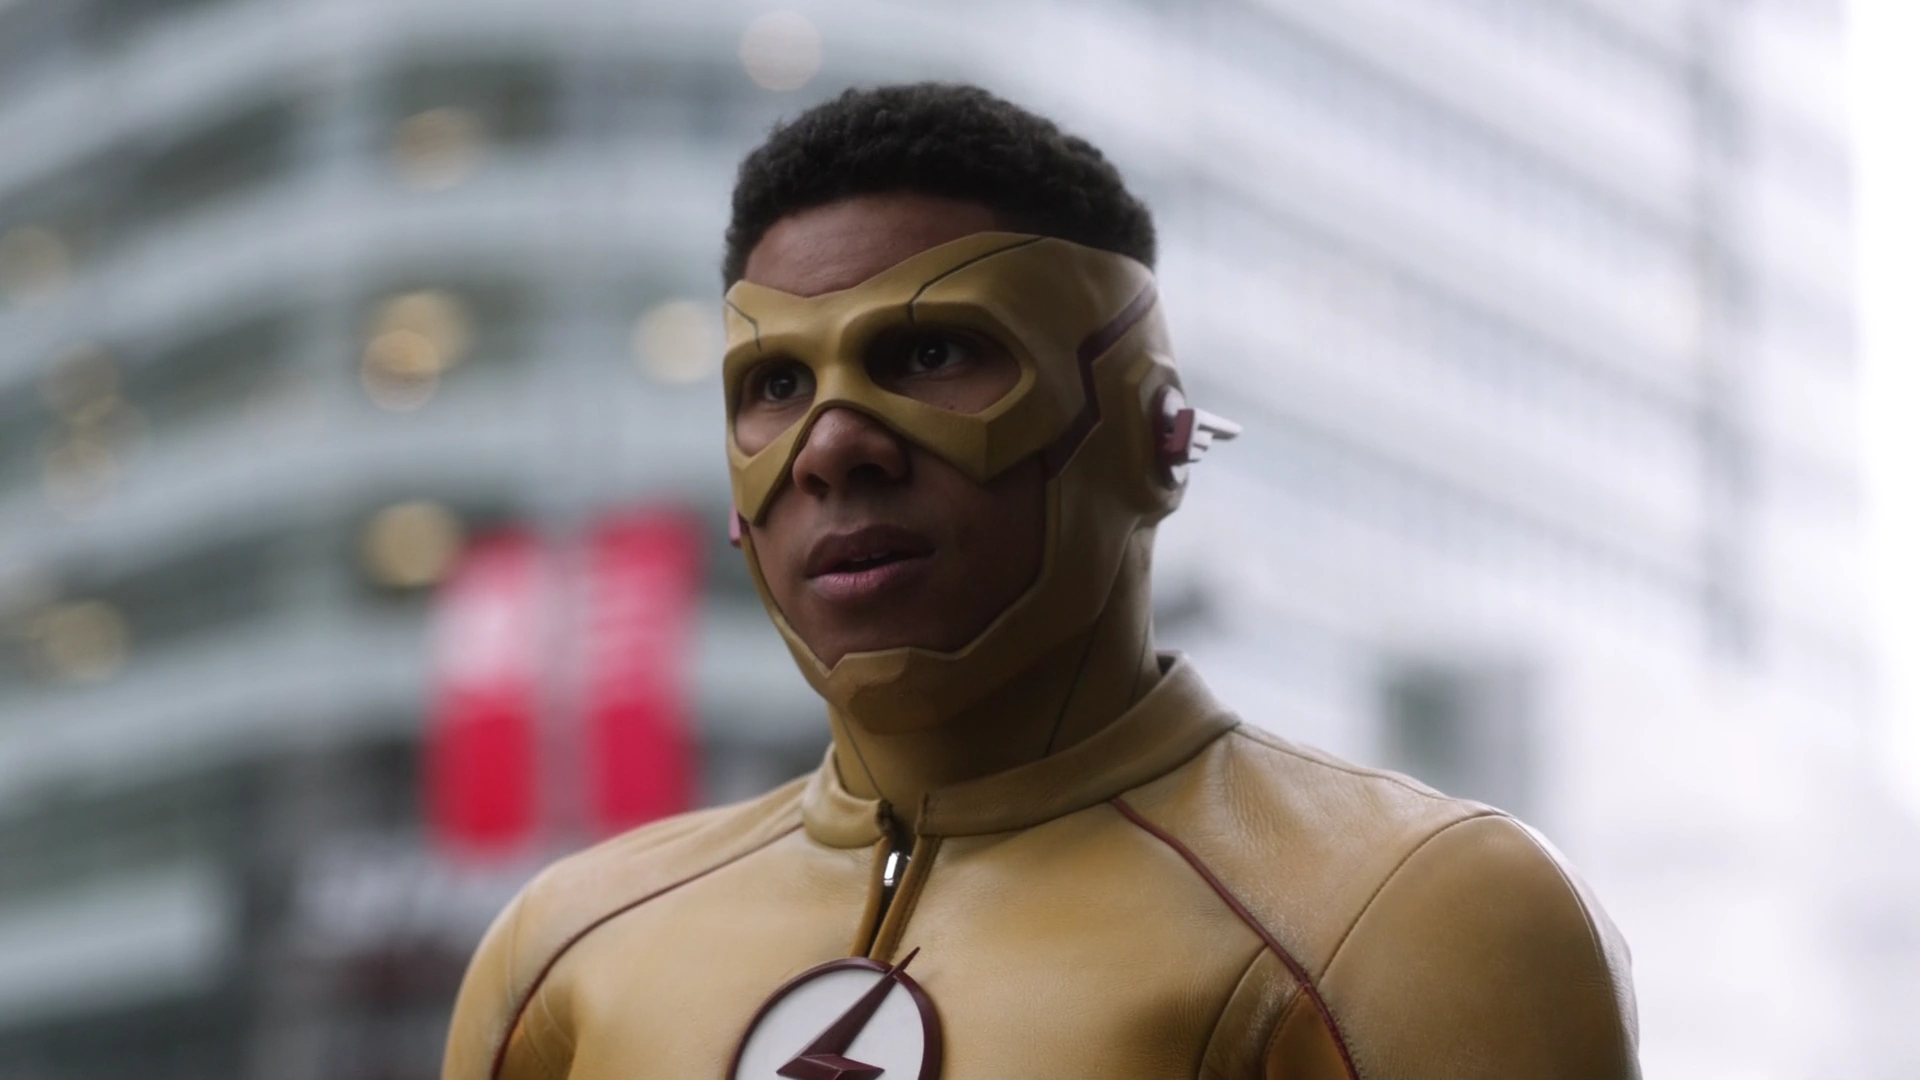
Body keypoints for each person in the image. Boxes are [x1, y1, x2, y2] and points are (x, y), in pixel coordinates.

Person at [443, 82, 1639, 1080]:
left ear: (1155, 434)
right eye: (777, 385)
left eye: (932, 352)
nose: (831, 447)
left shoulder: (1410, 917)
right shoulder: (564, 956)